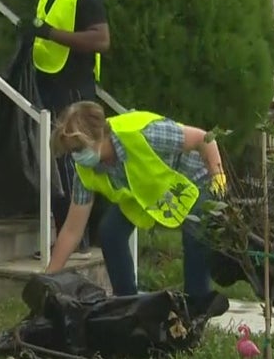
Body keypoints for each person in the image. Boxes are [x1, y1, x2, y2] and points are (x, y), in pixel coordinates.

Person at [45, 101, 225, 315]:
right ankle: (128, 306)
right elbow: (72, 230)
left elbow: (204, 139)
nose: (76, 156)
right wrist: (48, 280)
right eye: (71, 151)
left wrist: (218, 178)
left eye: (78, 149)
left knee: (196, 235)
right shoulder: (86, 170)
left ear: (100, 134)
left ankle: (196, 312)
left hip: (193, 180)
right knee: (111, 232)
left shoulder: (145, 133)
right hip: (148, 192)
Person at [25, 0, 111, 258]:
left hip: (76, 88)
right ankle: (65, 235)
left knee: (78, 164)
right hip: (48, 84)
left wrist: (50, 33)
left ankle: (82, 236)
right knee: (57, 163)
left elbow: (101, 40)